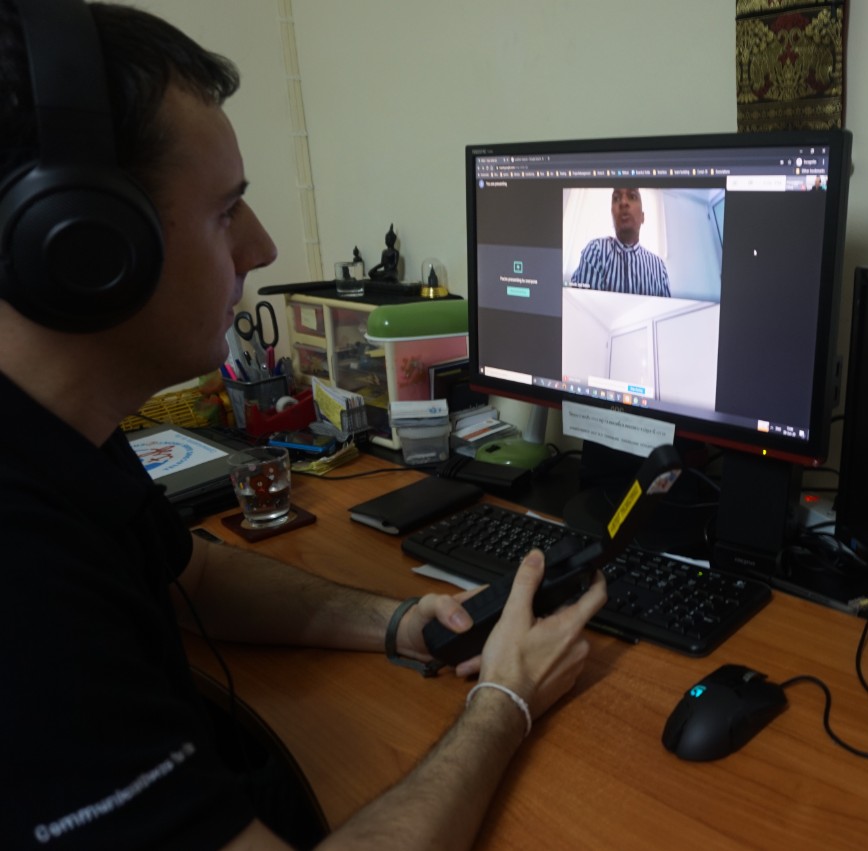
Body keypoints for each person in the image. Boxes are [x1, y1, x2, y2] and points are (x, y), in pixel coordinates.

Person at [0, 3, 606, 849]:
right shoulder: (21, 583)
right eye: (226, 211)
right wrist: (501, 703)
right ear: (86, 247)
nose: (264, 246)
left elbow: (194, 580)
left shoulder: (58, 434)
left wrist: (396, 620)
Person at [569, 187, 671, 296]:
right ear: (612, 215)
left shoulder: (658, 267)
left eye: (632, 196)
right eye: (616, 198)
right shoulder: (596, 251)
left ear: (642, 217)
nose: (623, 202)